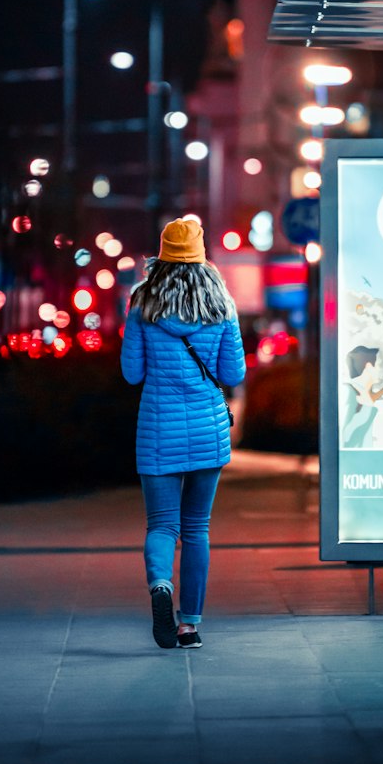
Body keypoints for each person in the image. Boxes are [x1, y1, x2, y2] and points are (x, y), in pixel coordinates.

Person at [120, 217, 246, 650]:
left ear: (164, 253)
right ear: (201, 253)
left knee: (161, 525)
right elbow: (233, 372)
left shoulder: (142, 304)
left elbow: (131, 373)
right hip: (208, 431)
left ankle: (160, 587)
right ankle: (188, 626)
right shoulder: (222, 305)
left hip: (158, 430)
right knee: (197, 529)